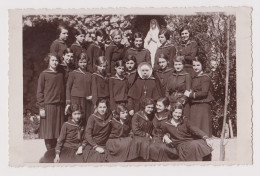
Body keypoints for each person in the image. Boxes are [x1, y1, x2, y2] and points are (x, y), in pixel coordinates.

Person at [36, 53, 65, 150]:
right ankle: (49, 153)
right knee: (48, 133)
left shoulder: (61, 74)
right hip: (48, 106)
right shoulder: (44, 74)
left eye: (56, 60)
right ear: (48, 61)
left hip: (59, 106)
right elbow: (39, 92)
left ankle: (56, 153)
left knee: (57, 132)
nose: (55, 62)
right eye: (52, 60)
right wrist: (41, 107)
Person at [184, 56, 214, 137]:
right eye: (194, 65)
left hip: (203, 105)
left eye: (198, 65)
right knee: (195, 131)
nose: (195, 67)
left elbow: (204, 93)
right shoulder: (194, 77)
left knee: (203, 131)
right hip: (194, 105)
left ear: (202, 65)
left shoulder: (205, 77)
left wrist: (190, 94)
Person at [66, 53, 92, 126]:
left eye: (85, 62)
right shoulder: (73, 73)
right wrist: (68, 102)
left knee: (85, 117)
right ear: (77, 62)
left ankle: (84, 134)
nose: (83, 64)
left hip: (86, 100)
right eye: (81, 62)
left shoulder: (89, 74)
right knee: (75, 117)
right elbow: (68, 87)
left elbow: (92, 87)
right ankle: (72, 134)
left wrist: (91, 95)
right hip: (75, 99)